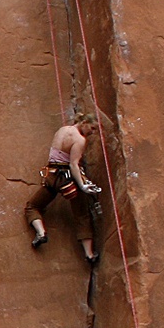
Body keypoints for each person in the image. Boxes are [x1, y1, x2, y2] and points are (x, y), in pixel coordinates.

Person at [25, 111, 102, 264]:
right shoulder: (80, 140)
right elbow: (73, 164)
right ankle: (90, 255)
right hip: (67, 180)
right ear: (84, 122)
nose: (92, 133)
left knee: (32, 206)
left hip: (51, 177)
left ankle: (41, 232)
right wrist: (83, 185)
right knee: (82, 214)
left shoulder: (61, 130)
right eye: (92, 129)